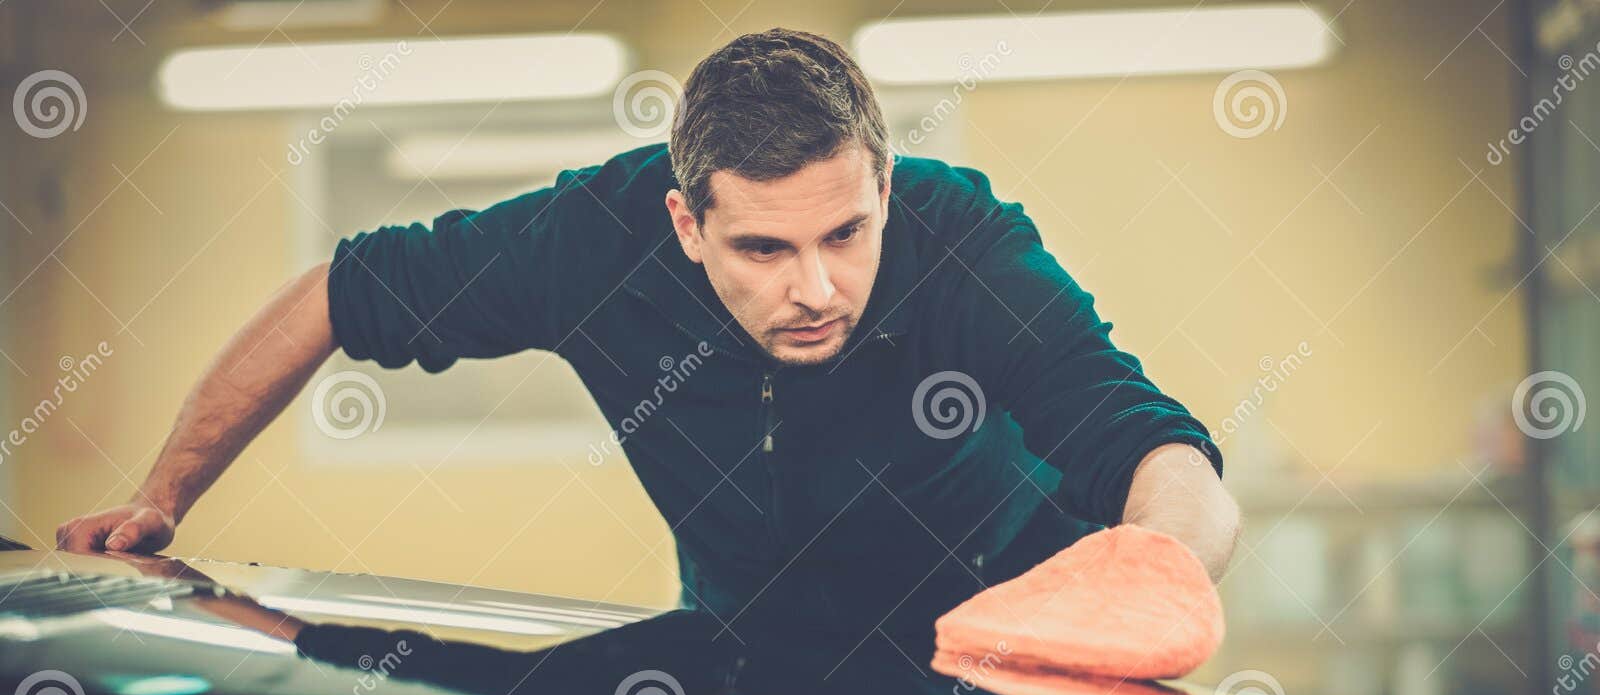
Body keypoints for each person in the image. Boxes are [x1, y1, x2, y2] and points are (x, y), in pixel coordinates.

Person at [56, 27, 1239, 651]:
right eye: (763, 252)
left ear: (882, 184)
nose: (817, 286)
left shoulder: (962, 234)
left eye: (846, 232)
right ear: (685, 221)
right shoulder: (589, 238)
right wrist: (164, 496)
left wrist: (1149, 574)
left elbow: (1138, 431)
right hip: (746, 665)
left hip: (995, 656)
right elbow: (336, 292)